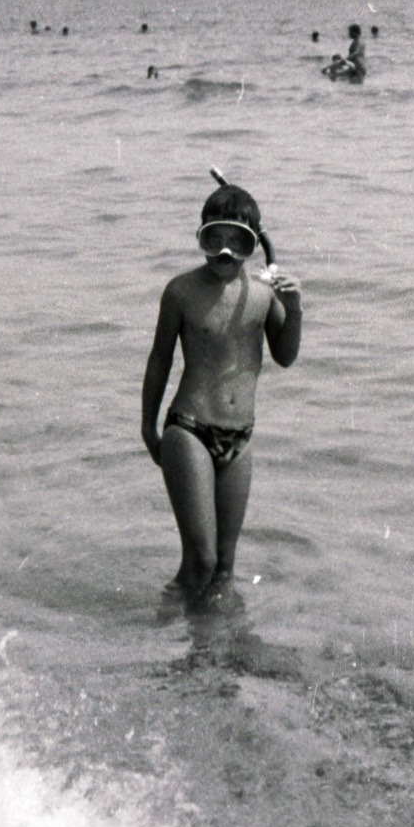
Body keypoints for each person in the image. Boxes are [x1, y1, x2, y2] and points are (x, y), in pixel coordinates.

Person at [141, 175, 302, 597]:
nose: (226, 253)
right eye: (214, 241)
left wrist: (295, 307)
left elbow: (285, 356)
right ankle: (155, 636)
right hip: (189, 429)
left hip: (240, 439)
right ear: (201, 237)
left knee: (225, 569)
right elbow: (160, 360)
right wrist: (148, 428)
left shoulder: (263, 295)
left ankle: (211, 654)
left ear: (253, 246)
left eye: (238, 243)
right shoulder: (180, 292)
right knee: (201, 561)